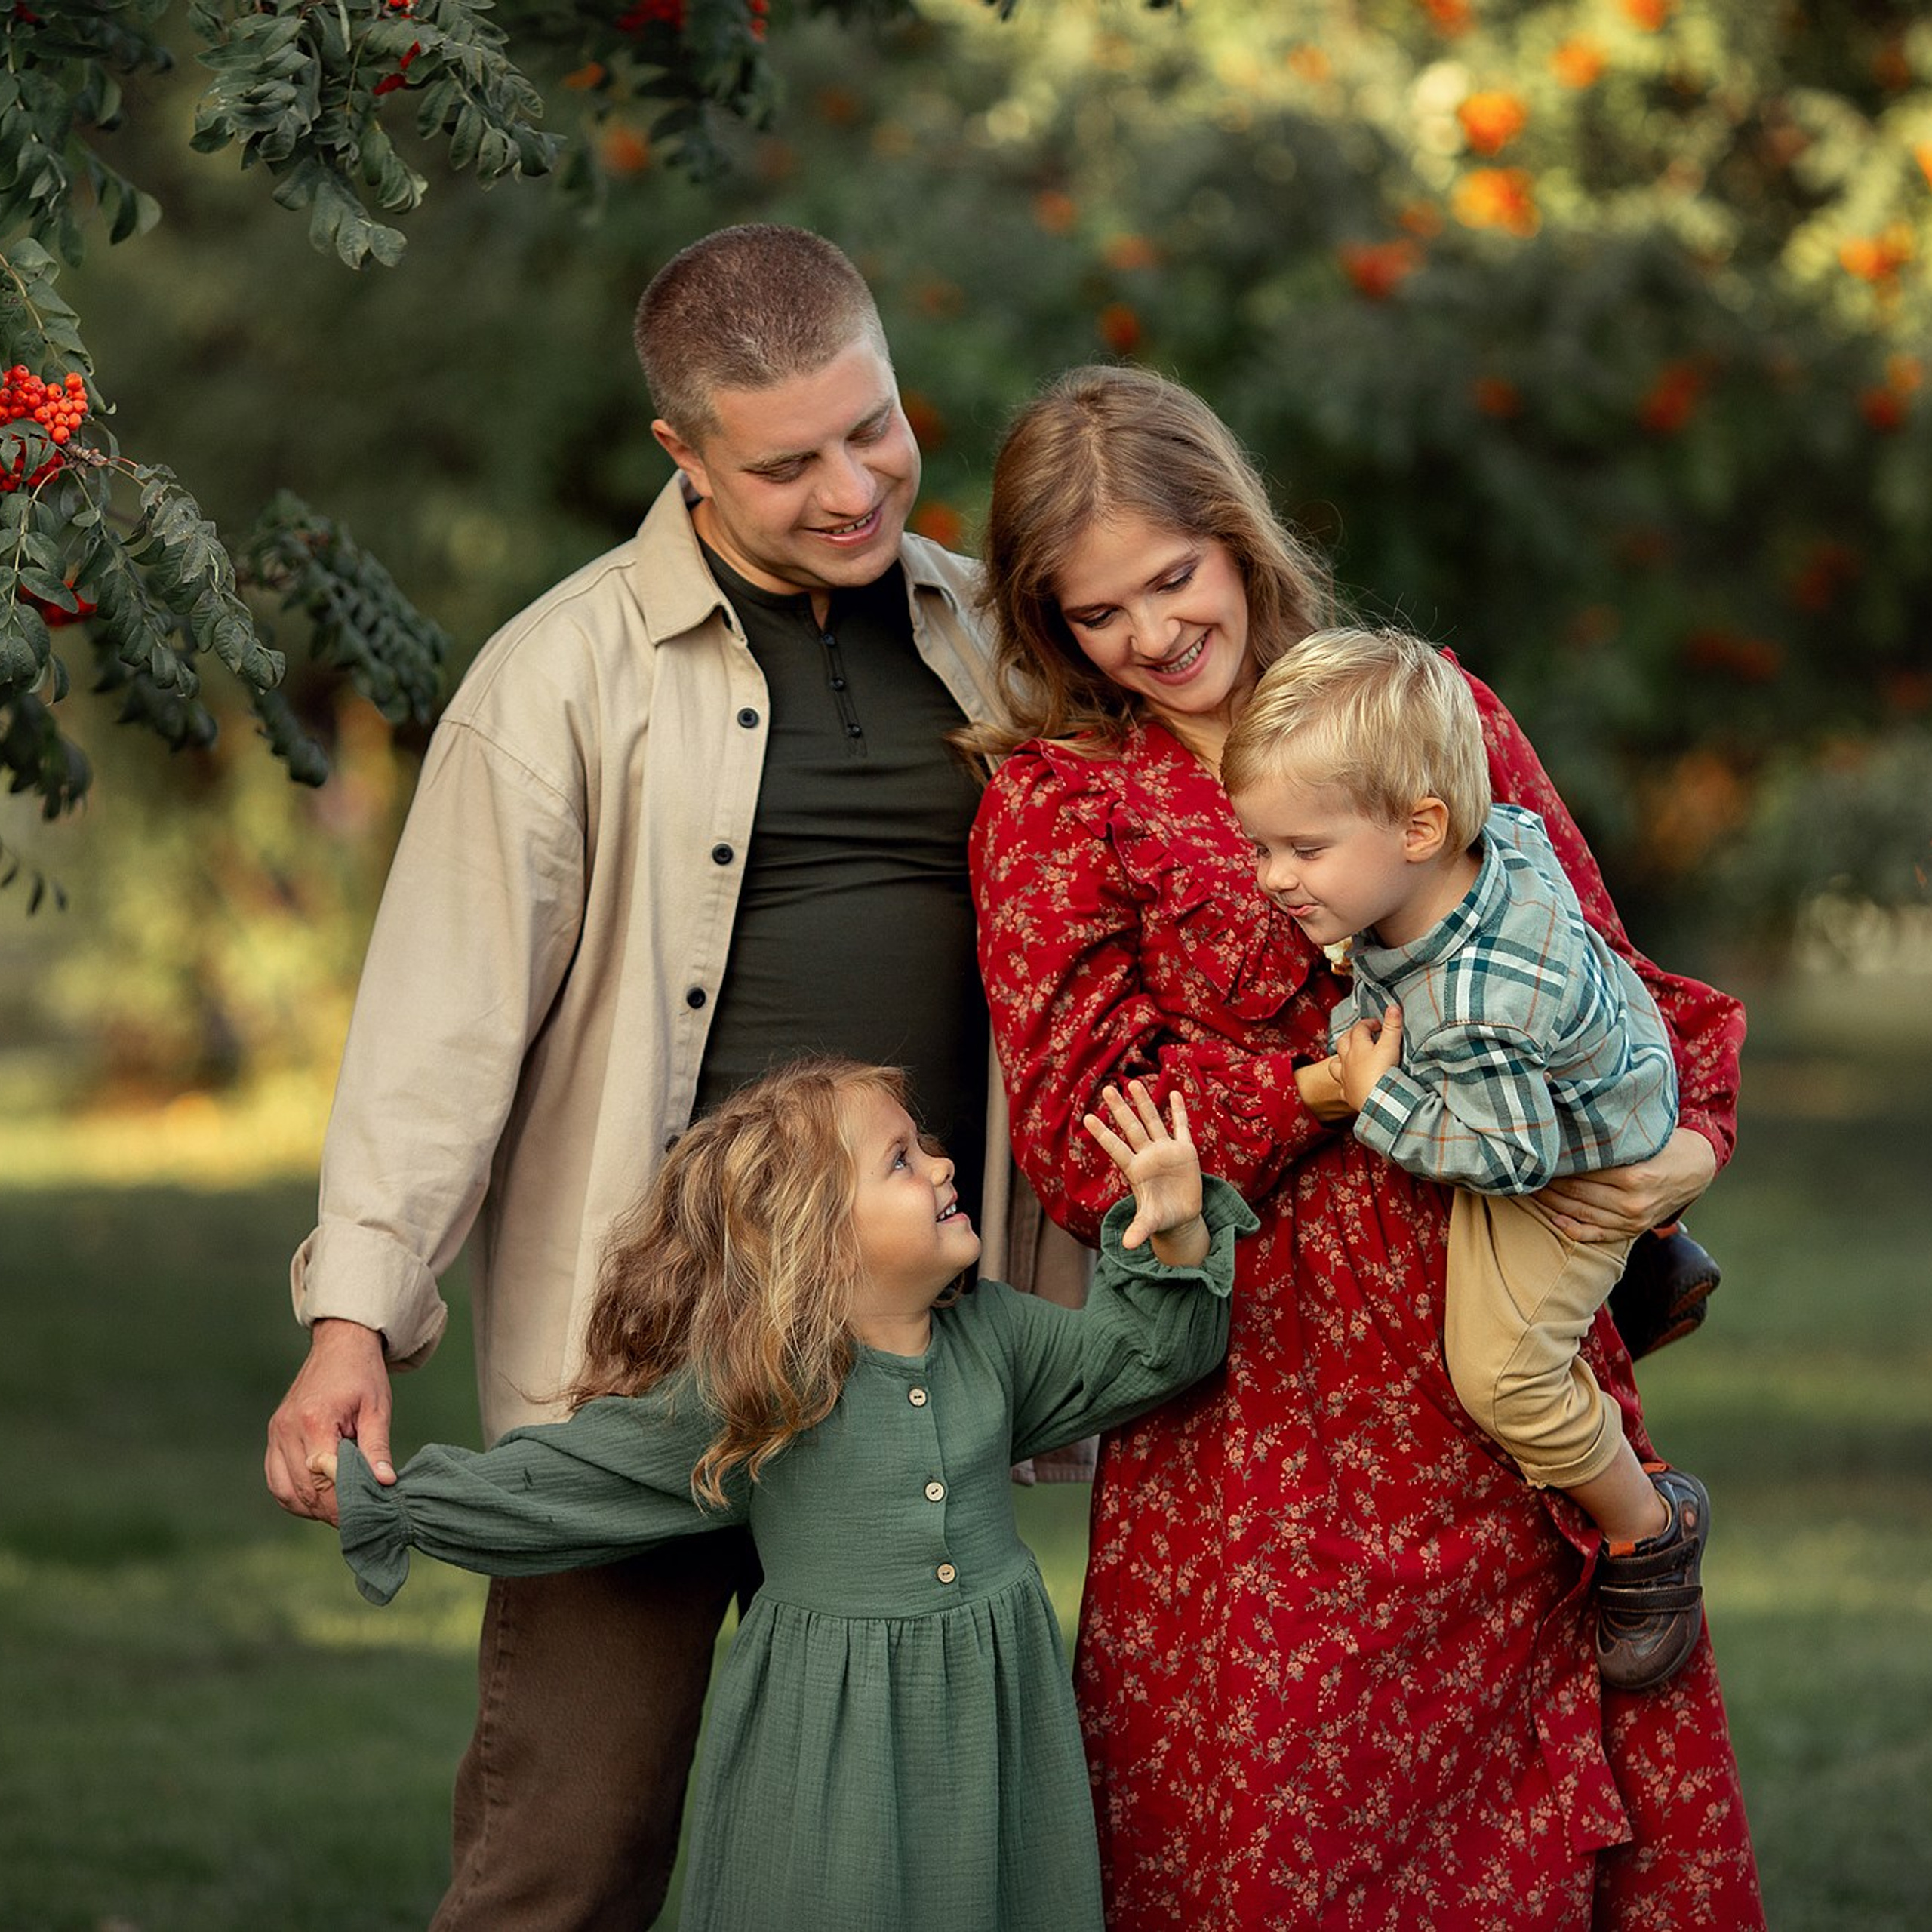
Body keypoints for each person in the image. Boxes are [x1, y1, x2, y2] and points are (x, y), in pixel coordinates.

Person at [263, 224, 1043, 1928]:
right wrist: (354, 1321)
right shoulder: (554, 680)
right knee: (572, 1844)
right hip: (654, 1364)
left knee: (896, 1854)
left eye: (876, 428)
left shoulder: (996, 639)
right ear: (679, 455)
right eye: (787, 462)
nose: (853, 486)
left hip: (915, 1353)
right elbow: (435, 1029)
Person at [964, 365, 1764, 1928]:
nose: (1148, 633)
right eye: (1093, 612)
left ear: (1236, 538)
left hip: (1490, 1319)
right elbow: (1081, 1137)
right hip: (1258, 1398)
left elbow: (1590, 966)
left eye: (1170, 577)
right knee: (1273, 1828)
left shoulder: (1427, 710)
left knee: (1547, 1806)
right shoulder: (1060, 813)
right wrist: (1311, 1094)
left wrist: (1680, 1147)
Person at [307, 1055, 1254, 1932]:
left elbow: (1144, 1359)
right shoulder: (762, 1390)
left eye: (923, 1145)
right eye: (900, 1160)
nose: (942, 1163)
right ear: (816, 1237)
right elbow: (569, 1479)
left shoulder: (993, 1336)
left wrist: (1173, 1232)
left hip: (993, 1724)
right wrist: (389, 1498)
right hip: (830, 1744)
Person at [1220, 624, 1710, 1694]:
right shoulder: (1463, 862)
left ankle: (1651, 1526)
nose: (1273, 879)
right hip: (1588, 1084)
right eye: (1261, 847)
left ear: (1420, 825)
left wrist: (1374, 1095)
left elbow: (1506, 1153)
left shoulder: (1478, 1006)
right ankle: (1658, 1243)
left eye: (1302, 851)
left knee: (1505, 1375)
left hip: (1556, 1164)